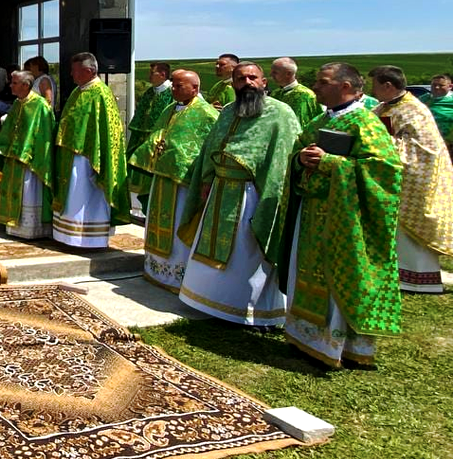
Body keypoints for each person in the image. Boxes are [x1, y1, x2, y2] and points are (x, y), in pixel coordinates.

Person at [286, 63, 403, 368]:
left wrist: (331, 163)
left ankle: (338, 345)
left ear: (345, 86)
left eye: (322, 82)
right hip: (312, 211)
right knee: (308, 272)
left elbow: (385, 171)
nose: (316, 87)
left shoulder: (365, 122)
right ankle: (306, 337)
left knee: (338, 273)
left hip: (345, 216)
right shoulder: (319, 120)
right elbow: (297, 152)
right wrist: (300, 158)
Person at [176, 62, 300, 326]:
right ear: (233, 84)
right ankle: (208, 300)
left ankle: (250, 310)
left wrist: (270, 195)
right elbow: (212, 145)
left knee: (246, 250)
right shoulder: (229, 110)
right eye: (241, 78)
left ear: (264, 82)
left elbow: (283, 158)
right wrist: (207, 177)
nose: (247, 82)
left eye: (253, 77)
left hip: (252, 194)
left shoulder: (281, 113)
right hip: (220, 190)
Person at [128, 70, 219, 291]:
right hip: (162, 177)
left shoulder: (207, 114)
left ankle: (178, 277)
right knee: (156, 221)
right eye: (174, 85)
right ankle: (155, 270)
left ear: (195, 88)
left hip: (184, 182)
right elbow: (157, 134)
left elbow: (208, 147)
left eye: (179, 86)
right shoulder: (169, 109)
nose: (174, 90)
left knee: (178, 224)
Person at [369, 66, 453, 294]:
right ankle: (395, 274)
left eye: (375, 85)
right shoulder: (383, 107)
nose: (371, 90)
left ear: (388, 85)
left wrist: (379, 142)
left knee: (410, 231)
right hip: (392, 175)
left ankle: (419, 280)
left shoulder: (414, 109)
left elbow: (422, 148)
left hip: (416, 176)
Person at [51, 52, 128, 247]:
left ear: (89, 71)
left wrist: (98, 156)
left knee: (84, 195)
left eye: (75, 71)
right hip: (70, 155)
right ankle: (68, 237)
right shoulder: (78, 91)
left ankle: (88, 239)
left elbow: (109, 131)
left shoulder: (101, 93)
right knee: (72, 195)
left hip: (88, 157)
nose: (71, 74)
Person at [0, 70, 55, 239]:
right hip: (14, 156)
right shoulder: (17, 103)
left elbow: (45, 134)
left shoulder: (40, 105)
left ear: (26, 85)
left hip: (30, 160)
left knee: (29, 192)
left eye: (14, 83)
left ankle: (32, 230)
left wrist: (31, 153)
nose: (10, 86)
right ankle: (15, 228)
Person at [125, 62, 174, 215]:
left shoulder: (172, 93)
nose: (149, 76)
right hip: (142, 140)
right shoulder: (149, 92)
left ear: (163, 75)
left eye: (152, 73)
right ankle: (136, 208)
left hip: (159, 142)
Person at [269, 57, 322, 125]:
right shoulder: (275, 93)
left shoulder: (305, 95)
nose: (271, 75)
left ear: (288, 74)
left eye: (275, 72)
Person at [420, 73, 453, 141]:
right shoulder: (423, 99)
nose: (437, 87)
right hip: (427, 138)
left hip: (448, 139)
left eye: (441, 85)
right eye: (434, 85)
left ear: (450, 86)